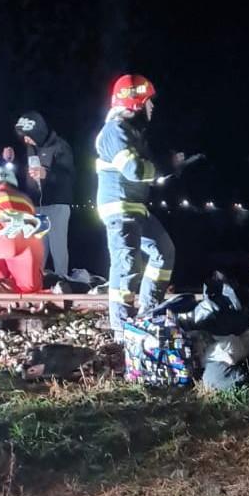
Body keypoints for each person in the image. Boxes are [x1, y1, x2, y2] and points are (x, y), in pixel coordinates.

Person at [95, 73, 178, 331]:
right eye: (149, 102)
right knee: (127, 266)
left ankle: (148, 310)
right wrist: (163, 166)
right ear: (136, 104)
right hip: (119, 208)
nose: (152, 107)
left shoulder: (131, 133)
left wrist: (171, 167)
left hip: (136, 208)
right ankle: (122, 329)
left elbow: (148, 172)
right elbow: (134, 170)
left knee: (164, 252)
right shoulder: (115, 131)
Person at [3, 111, 75, 277]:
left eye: (28, 136)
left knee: (58, 250)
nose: (26, 140)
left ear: (38, 132)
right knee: (38, 250)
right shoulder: (30, 149)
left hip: (57, 206)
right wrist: (11, 159)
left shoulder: (60, 147)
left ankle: (62, 282)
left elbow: (69, 177)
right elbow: (22, 170)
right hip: (37, 207)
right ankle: (36, 283)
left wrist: (47, 174)